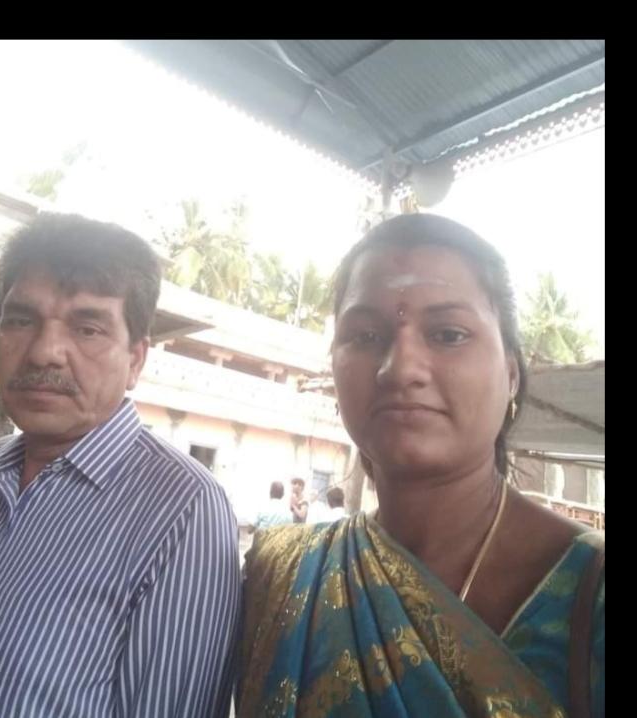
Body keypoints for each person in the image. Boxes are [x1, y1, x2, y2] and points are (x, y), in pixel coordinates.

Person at [238, 214, 604, 717]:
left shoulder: (590, 591)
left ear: (512, 375)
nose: (400, 369)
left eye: (449, 334)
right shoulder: (280, 573)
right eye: (365, 336)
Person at [0, 213, 241, 718]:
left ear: (135, 361)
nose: (44, 352)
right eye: (20, 320)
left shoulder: (184, 510)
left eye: (87, 328)